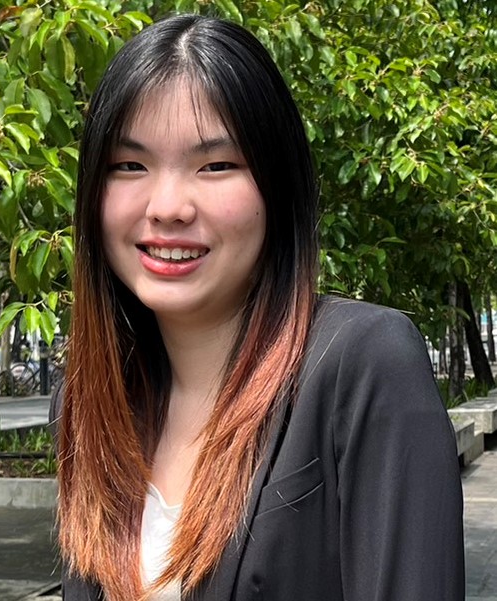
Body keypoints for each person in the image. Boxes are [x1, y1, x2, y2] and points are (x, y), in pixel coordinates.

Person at [51, 13, 465, 601]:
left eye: (216, 165)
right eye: (130, 165)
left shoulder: (363, 365)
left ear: (277, 186)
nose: (167, 206)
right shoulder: (91, 403)